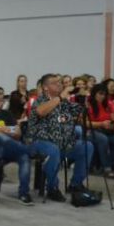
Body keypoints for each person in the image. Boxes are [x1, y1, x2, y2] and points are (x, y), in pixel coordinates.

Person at [26, 74, 94, 202]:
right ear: (45, 88)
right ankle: (52, 187)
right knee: (53, 149)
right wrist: (61, 97)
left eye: (59, 82)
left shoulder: (65, 103)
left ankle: (75, 184)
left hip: (64, 143)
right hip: (39, 143)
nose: (59, 84)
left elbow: (81, 113)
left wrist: (82, 98)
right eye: (54, 82)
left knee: (87, 146)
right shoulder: (40, 100)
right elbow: (41, 112)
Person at [86, 83, 114, 178]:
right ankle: (107, 168)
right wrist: (101, 124)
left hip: (106, 130)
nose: (102, 96)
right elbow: (85, 123)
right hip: (91, 130)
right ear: (94, 93)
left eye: (104, 94)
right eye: (100, 93)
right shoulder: (87, 104)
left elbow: (113, 120)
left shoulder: (108, 104)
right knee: (103, 139)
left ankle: (106, 163)